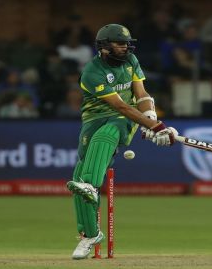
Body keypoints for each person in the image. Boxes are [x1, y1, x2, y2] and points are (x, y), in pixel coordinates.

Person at [65, 24, 177, 260]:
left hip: (123, 120)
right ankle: (90, 235)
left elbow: (141, 95)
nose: (125, 47)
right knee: (79, 177)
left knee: (109, 132)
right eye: (119, 43)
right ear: (104, 47)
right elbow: (119, 104)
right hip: (95, 118)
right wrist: (156, 128)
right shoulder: (92, 71)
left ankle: (91, 184)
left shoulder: (131, 60)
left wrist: (151, 118)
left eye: (126, 43)